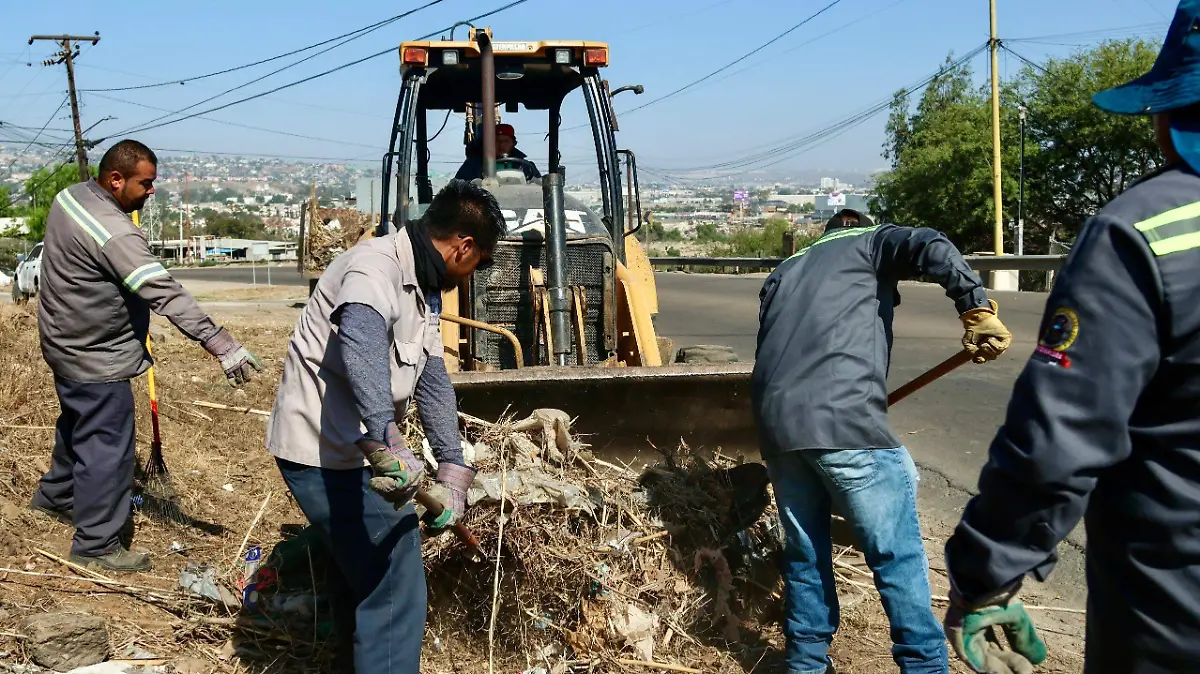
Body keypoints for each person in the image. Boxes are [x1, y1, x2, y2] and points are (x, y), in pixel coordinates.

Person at [943, 3, 1200, 672]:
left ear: (1170, 114)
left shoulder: (1142, 234)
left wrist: (986, 573)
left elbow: (1058, 440)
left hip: (1173, 621)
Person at [752, 208, 1012, 674]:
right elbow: (930, 241)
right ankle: (925, 666)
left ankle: (806, 663)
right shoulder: (870, 241)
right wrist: (974, 304)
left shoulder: (784, 270)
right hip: (844, 418)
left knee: (806, 554)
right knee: (897, 554)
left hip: (778, 427)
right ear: (859, 225)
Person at [265, 179, 506, 673]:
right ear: (462, 247)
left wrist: (453, 467)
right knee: (395, 575)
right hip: (322, 449)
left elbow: (433, 378)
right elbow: (360, 342)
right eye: (476, 264)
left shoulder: (424, 284)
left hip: (360, 451)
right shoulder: (375, 267)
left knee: (365, 571)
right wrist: (386, 436)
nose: (470, 275)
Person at [29, 139, 262, 573]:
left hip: (63, 343)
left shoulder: (70, 197)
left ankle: (55, 497)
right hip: (95, 356)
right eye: (146, 183)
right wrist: (220, 343)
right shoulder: (114, 231)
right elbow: (163, 291)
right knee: (108, 447)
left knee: (78, 423)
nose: (152, 191)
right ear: (116, 180)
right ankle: (96, 543)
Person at [454, 123, 541, 181]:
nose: (501, 145)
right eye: (497, 141)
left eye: (506, 141)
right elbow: (458, 187)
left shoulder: (527, 167)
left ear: (513, 143)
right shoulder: (473, 165)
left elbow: (539, 187)